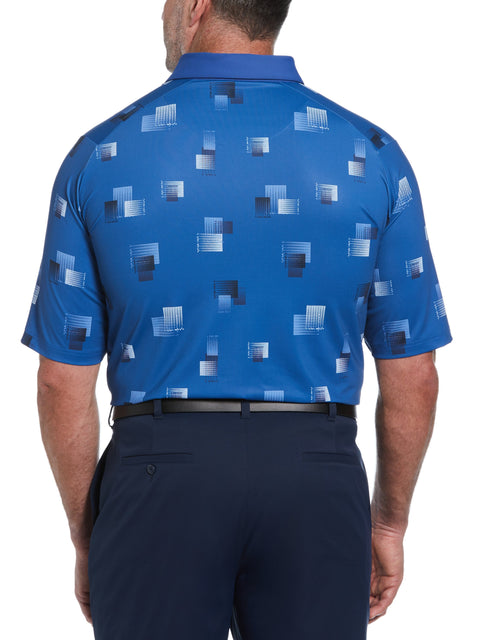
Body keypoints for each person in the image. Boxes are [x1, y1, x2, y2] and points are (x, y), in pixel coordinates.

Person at [21, 0, 453, 638]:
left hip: (158, 477)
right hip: (316, 474)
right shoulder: (371, 156)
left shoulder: (102, 156)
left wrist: (89, 534)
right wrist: (387, 523)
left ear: (195, 6)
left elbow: (61, 378)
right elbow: (413, 371)